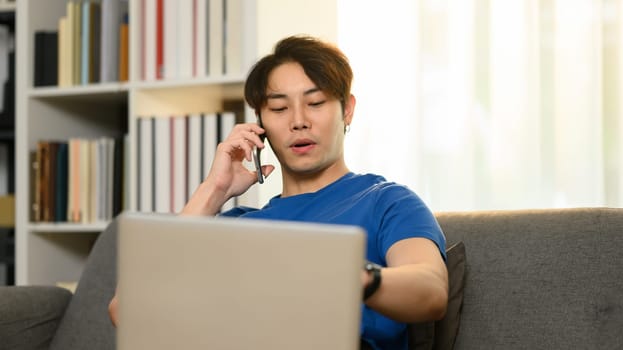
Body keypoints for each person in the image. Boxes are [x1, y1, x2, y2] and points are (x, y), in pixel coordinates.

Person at [109, 35, 448, 350]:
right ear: (259, 124)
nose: (298, 121)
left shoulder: (386, 201)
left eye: (315, 102)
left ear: (347, 109)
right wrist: (214, 190)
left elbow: (431, 290)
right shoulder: (237, 225)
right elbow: (126, 311)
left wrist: (354, 275)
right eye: (279, 108)